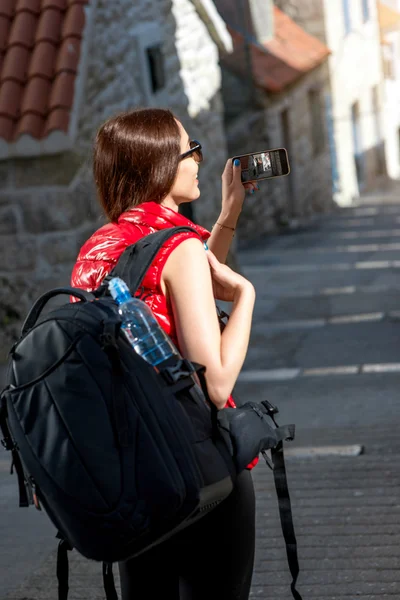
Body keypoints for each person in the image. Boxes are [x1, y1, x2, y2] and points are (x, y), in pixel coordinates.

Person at [71, 108, 258, 600]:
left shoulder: (99, 247)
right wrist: (246, 297)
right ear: (160, 165)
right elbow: (214, 384)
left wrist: (226, 218)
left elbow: (171, 293)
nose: (198, 158)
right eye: (189, 149)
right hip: (196, 470)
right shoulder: (179, 251)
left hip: (129, 474)